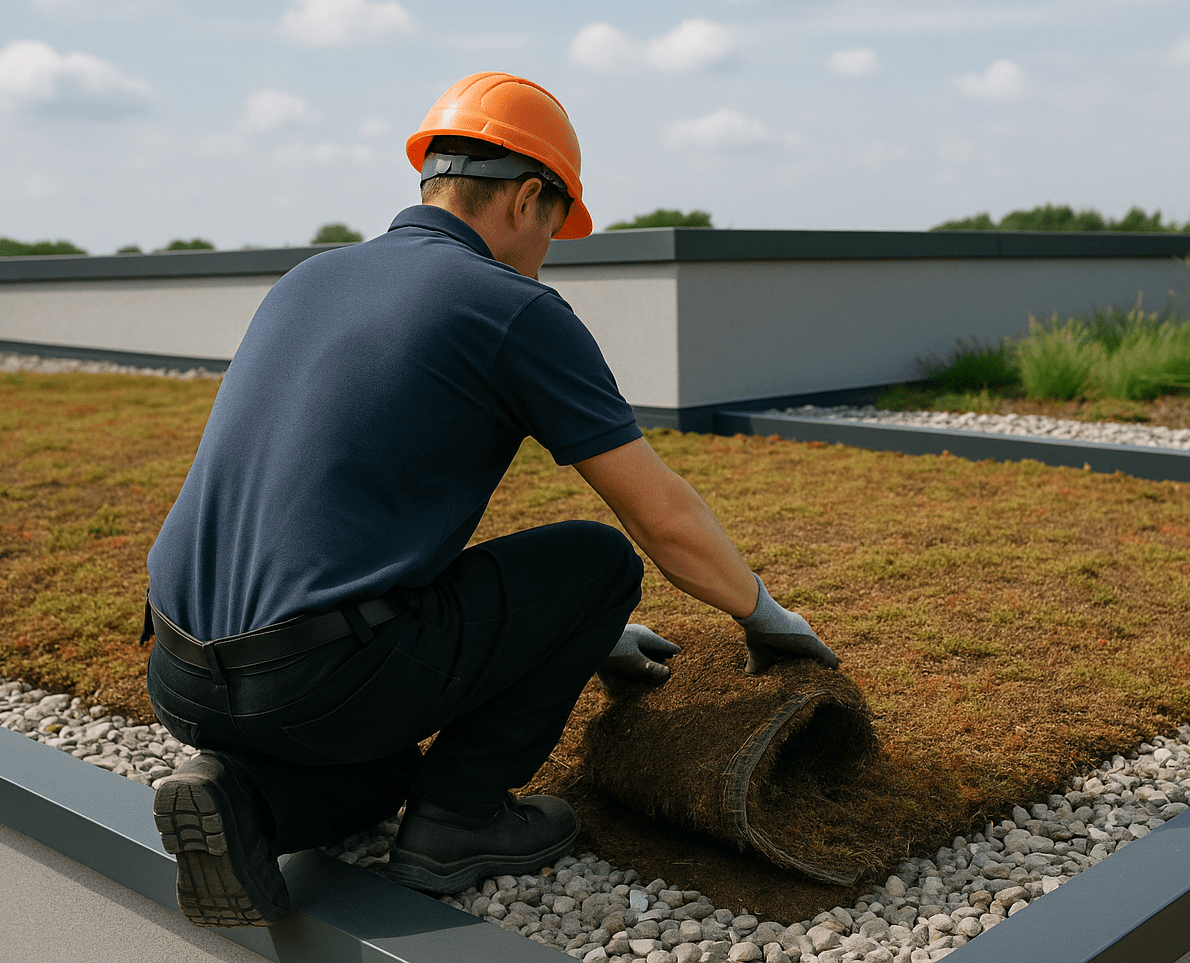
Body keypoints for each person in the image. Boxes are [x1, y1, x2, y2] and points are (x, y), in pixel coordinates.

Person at [141, 71, 839, 929]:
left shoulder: (310, 278)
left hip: (181, 676)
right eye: (556, 223)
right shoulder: (512, 308)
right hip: (318, 678)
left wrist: (576, 638)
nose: (551, 247)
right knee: (596, 561)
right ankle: (461, 821)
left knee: (385, 756)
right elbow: (659, 516)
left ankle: (239, 800)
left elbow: (332, 511)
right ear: (528, 198)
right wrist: (764, 614)